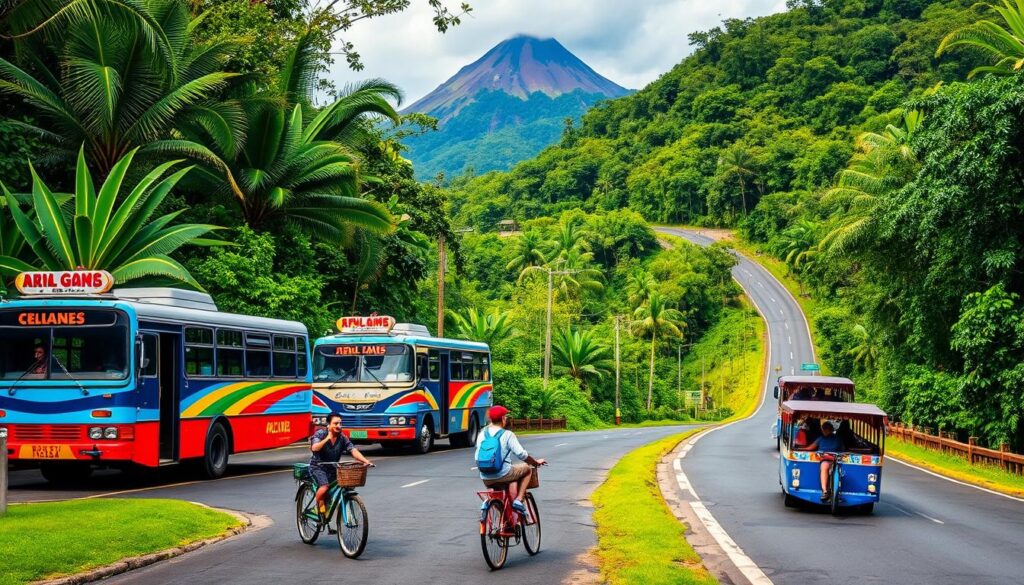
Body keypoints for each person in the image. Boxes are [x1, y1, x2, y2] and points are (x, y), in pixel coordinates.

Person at [475, 405, 546, 516]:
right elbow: (521, 454)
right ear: (503, 418)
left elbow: (477, 456)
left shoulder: (482, 434)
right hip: (503, 473)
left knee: (500, 493)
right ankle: (519, 499)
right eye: (506, 416)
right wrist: (535, 462)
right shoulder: (507, 434)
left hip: (485, 477)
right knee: (527, 469)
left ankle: (504, 520)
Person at [309, 412, 373, 516]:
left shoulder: (342, 437)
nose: (339, 426)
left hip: (333, 468)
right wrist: (327, 439)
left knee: (345, 486)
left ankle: (327, 509)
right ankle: (317, 508)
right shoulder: (320, 434)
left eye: (340, 423)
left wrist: (366, 461)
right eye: (335, 423)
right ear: (328, 425)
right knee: (325, 487)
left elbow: (353, 450)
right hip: (318, 467)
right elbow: (315, 447)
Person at [799, 420, 845, 500]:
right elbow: (811, 447)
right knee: (824, 466)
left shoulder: (838, 439)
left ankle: (834, 491)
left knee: (828, 467)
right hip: (828, 459)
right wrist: (800, 449)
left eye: (826, 428)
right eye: (823, 428)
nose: (824, 430)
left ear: (831, 429)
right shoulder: (820, 439)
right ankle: (825, 491)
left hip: (835, 459)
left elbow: (843, 449)